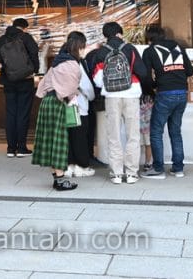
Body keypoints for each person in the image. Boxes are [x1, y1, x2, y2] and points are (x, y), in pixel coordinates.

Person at [91, 21, 147, 184]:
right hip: (131, 95)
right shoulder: (130, 49)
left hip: (111, 96)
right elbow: (142, 72)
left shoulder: (101, 52)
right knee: (133, 135)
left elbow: (97, 80)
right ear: (119, 34)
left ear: (105, 35)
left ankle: (116, 173)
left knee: (113, 135)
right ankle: (131, 173)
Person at [32, 30, 88, 191]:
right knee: (60, 142)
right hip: (58, 104)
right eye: (83, 47)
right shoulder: (71, 64)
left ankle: (57, 178)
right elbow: (67, 91)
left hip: (48, 103)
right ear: (78, 47)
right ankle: (61, 180)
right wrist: (75, 96)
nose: (84, 50)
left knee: (51, 141)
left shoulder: (58, 61)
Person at [141, 25, 193, 179]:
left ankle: (158, 169)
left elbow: (145, 77)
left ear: (149, 37)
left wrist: (152, 89)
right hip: (182, 93)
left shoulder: (150, 51)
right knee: (175, 132)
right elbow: (189, 71)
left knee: (156, 132)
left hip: (165, 93)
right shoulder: (178, 47)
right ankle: (178, 168)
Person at [0, 18, 40, 158]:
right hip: (25, 80)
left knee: (11, 114)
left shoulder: (3, 39)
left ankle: (10, 149)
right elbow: (34, 54)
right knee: (23, 113)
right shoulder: (26, 37)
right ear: (24, 28)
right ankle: (21, 148)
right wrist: (34, 70)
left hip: (8, 80)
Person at [66, 41, 95, 178]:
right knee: (80, 137)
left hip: (65, 105)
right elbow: (87, 87)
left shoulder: (61, 63)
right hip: (79, 106)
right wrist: (92, 97)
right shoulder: (78, 64)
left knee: (69, 136)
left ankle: (69, 165)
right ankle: (81, 166)